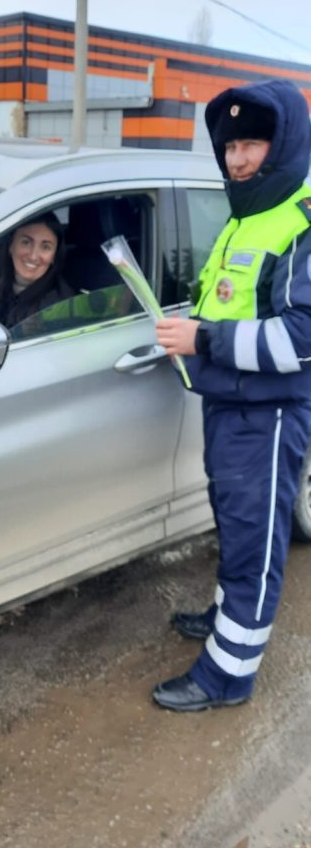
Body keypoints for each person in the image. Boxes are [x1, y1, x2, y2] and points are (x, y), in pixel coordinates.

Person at [152, 78, 311, 712]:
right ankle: (226, 619)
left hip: (268, 416)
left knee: (255, 544)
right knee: (235, 527)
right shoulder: (248, 215)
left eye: (251, 145)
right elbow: (231, 303)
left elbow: (302, 341)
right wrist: (193, 328)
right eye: (230, 147)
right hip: (231, 405)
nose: (238, 159)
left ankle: (227, 677)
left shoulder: (298, 222)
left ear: (284, 144)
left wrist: (204, 339)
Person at [0, 211, 73, 327]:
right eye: (26, 242)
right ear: (11, 246)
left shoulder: (57, 306)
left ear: (54, 257)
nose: (33, 256)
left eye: (46, 247)